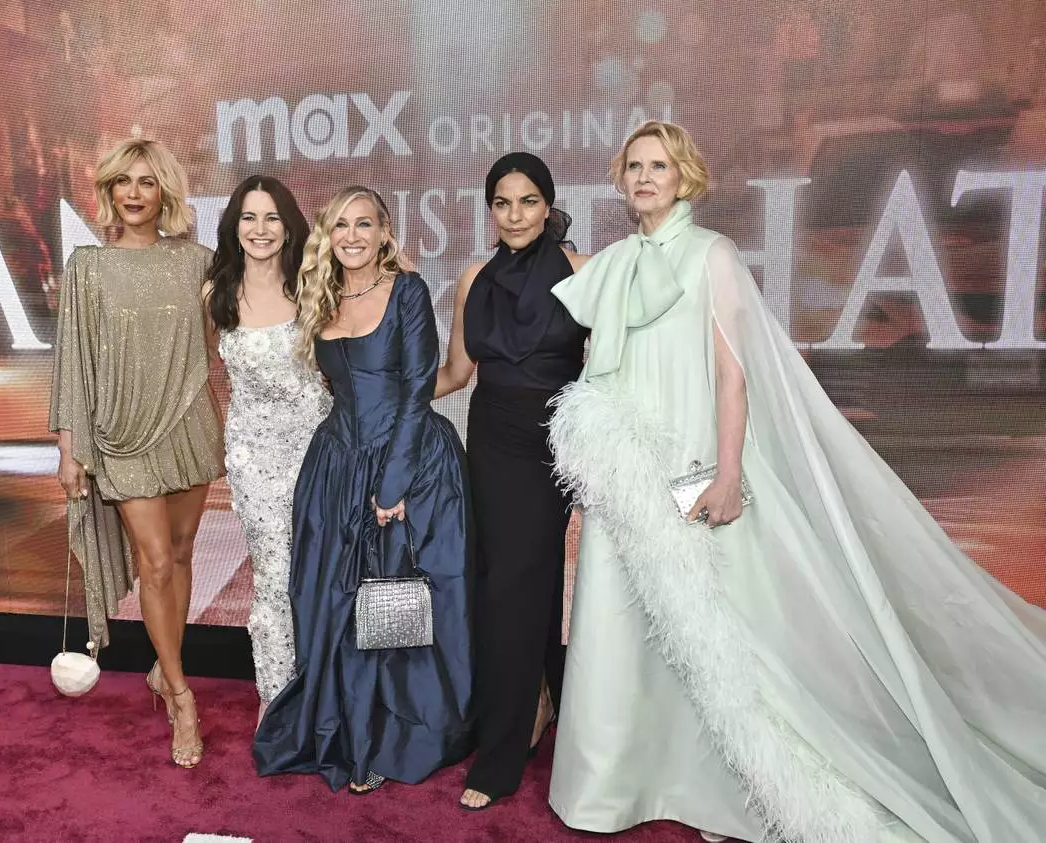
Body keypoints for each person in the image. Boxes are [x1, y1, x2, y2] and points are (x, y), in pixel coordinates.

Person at [547, 120, 1046, 842]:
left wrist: (726, 475)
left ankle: (719, 787)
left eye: (660, 165)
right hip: (629, 471)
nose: (647, 176)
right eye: (635, 166)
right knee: (625, 615)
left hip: (694, 463)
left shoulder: (713, 257)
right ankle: (621, 781)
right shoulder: (614, 263)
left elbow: (732, 376)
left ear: (685, 177)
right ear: (621, 181)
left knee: (723, 627)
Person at [252, 186, 473, 794]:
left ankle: (391, 735)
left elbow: (417, 386)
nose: (352, 236)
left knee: (396, 606)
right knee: (336, 602)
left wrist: (392, 484)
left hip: (410, 468)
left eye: (364, 224)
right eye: (341, 225)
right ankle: (347, 732)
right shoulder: (319, 296)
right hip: (337, 466)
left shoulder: (407, 290)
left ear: (384, 233)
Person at [49, 138, 222, 769]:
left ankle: (162, 666)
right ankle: (181, 694)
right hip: (119, 436)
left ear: (165, 192)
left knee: (179, 555)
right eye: (124, 181)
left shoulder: (198, 262)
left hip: (188, 427)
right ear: (108, 191)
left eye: (147, 182)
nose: (135, 193)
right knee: (153, 560)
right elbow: (71, 363)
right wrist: (70, 450)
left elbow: (238, 323)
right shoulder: (87, 266)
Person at [435, 153, 588, 811]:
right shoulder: (475, 276)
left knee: (517, 588)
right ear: (490, 209)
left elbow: (610, 366)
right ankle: (535, 703)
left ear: (548, 206)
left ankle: (501, 756)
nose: (516, 214)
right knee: (501, 584)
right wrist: (374, 396)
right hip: (491, 442)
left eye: (529, 201)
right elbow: (455, 374)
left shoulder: (583, 272)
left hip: (552, 442)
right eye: (503, 202)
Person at [205, 176, 330, 729]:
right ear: (235, 225)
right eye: (250, 218)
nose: (260, 230)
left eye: (272, 217)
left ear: (289, 226)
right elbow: (202, 377)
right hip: (254, 459)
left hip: (320, 449)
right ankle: (277, 705)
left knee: (325, 574)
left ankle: (329, 695)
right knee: (275, 579)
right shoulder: (216, 293)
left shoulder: (313, 286)